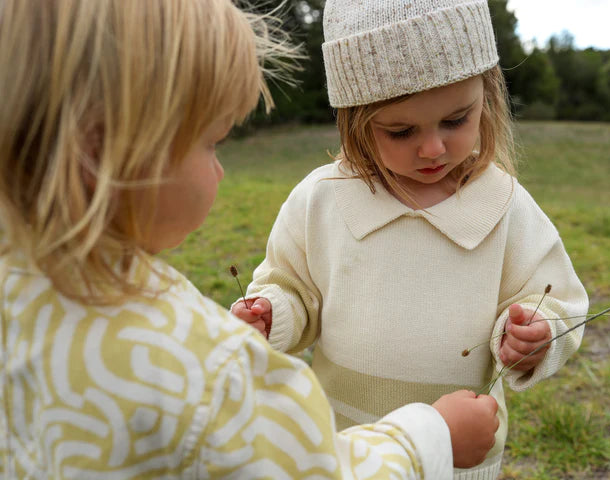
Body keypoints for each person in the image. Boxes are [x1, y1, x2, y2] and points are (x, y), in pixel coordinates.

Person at [0, 0, 502, 478]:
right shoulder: (200, 369)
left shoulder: (17, 290)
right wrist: (430, 438)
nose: (220, 168)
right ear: (100, 156)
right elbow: (311, 469)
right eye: (212, 141)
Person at [231, 0, 590, 478]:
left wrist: (536, 334)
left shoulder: (504, 205)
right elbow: (295, 288)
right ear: (355, 121)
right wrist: (272, 312)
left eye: (456, 120)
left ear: (487, 96)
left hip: (459, 454)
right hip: (347, 445)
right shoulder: (323, 200)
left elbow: (555, 298)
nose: (433, 148)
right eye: (401, 131)